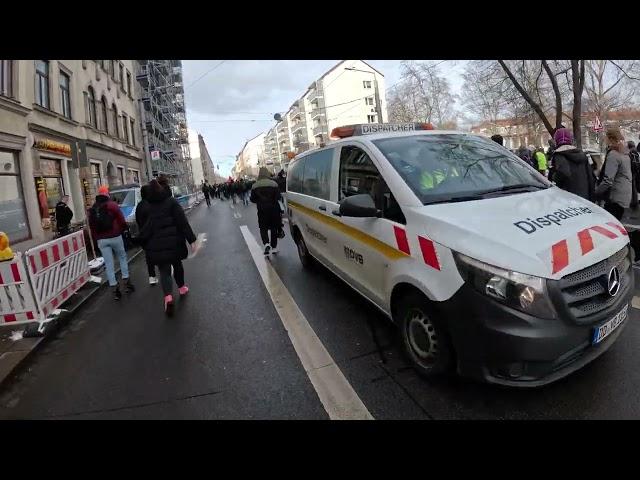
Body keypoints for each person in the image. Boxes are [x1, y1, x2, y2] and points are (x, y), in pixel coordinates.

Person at [140, 177, 197, 315]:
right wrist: (192, 240)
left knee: (164, 271)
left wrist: (143, 243)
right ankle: (182, 287)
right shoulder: (171, 202)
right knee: (177, 265)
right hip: (174, 242)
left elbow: (145, 227)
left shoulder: (148, 205)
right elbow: (182, 222)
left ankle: (168, 297)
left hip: (157, 244)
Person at [88, 185, 134, 300]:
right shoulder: (112, 205)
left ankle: (114, 288)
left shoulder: (93, 209)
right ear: (107, 194)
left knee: (109, 264)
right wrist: (122, 230)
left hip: (101, 240)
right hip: (115, 236)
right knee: (122, 257)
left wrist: (96, 238)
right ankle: (126, 281)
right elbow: (122, 220)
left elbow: (91, 226)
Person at [596, 128, 632, 220]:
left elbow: (608, 180)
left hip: (615, 196)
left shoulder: (613, 154)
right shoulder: (624, 153)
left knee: (610, 223)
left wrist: (596, 192)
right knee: (616, 222)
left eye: (606, 138)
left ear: (610, 139)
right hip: (625, 194)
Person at [549, 128, 595, 201]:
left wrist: (554, 176)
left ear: (556, 140)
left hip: (569, 199)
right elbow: (591, 177)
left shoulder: (559, 155)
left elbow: (563, 173)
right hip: (585, 198)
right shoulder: (583, 155)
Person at [251, 167, 282, 255]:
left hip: (262, 210)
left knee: (263, 227)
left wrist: (259, 201)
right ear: (267, 174)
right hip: (274, 209)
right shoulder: (274, 184)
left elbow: (252, 199)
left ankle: (266, 243)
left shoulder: (255, 185)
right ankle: (274, 247)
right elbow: (278, 197)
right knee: (274, 228)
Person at [135, 184, 158, 286]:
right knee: (158, 251)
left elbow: (138, 220)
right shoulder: (152, 204)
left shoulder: (139, 206)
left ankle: (152, 276)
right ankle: (164, 268)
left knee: (148, 256)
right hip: (154, 233)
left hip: (144, 235)